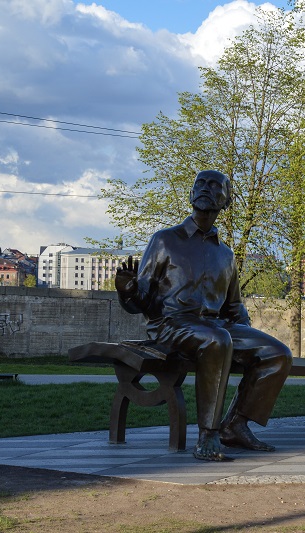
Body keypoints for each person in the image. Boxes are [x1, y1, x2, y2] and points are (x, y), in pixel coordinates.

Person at [115, 169, 292, 461]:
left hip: (215, 327)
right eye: (200, 183)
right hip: (171, 326)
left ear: (227, 201)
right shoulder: (165, 241)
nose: (205, 189)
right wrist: (128, 290)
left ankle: (235, 425)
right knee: (217, 339)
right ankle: (208, 434)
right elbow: (142, 303)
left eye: (214, 185)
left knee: (277, 352)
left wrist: (248, 336)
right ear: (190, 195)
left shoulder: (226, 254)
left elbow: (234, 307)